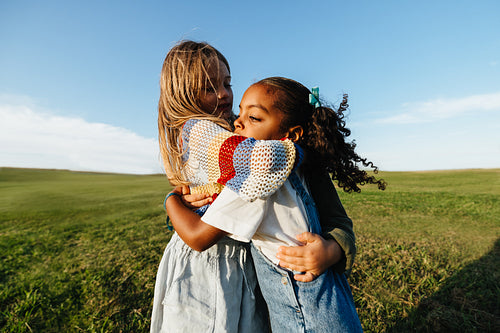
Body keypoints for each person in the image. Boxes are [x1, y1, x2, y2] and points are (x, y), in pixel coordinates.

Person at [151, 41, 352, 332]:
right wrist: (173, 199)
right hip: (208, 269)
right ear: (183, 95)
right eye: (209, 87)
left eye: (227, 83)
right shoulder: (215, 142)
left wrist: (333, 250)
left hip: (255, 269)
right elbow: (198, 211)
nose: (223, 94)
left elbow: (338, 219)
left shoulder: (261, 148)